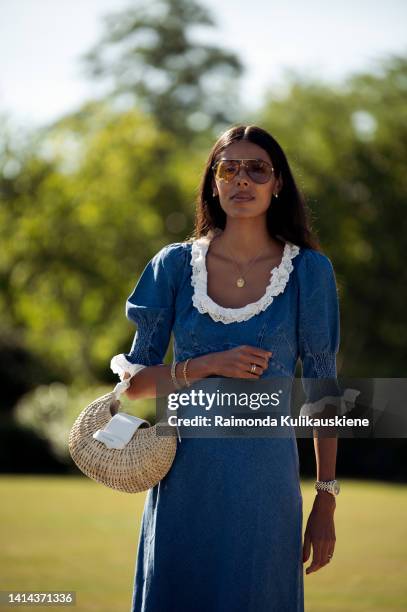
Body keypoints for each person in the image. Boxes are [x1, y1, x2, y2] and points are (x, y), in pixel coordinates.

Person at [111, 124, 354, 612]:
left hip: (265, 489)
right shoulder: (173, 267)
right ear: (214, 182)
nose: (242, 180)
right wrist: (206, 365)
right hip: (182, 483)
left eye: (257, 169)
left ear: (278, 182)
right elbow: (134, 387)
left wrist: (325, 497)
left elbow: (323, 387)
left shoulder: (309, 272)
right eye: (230, 168)